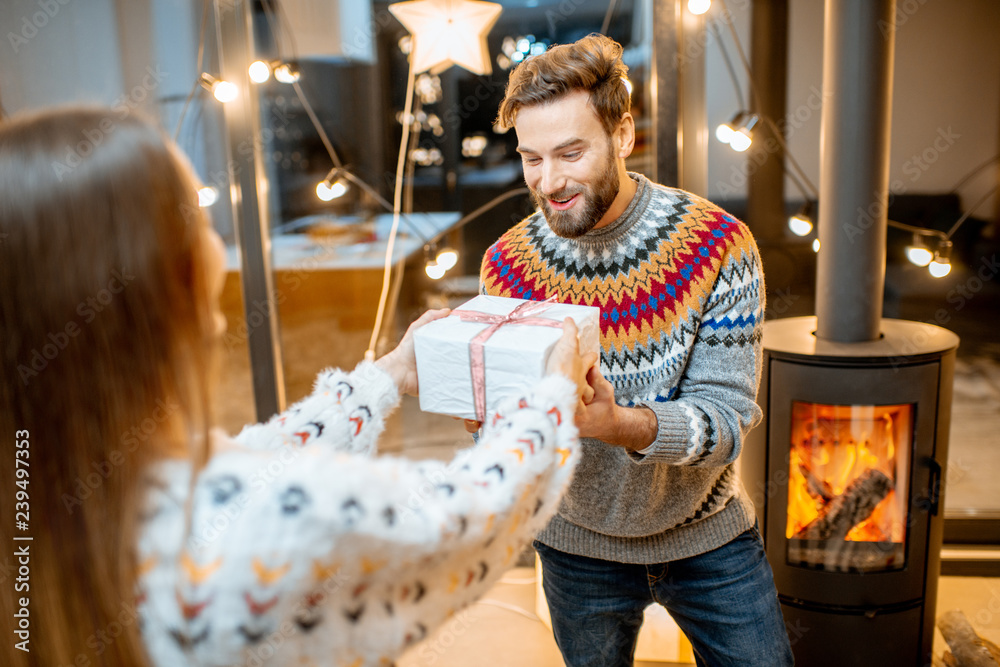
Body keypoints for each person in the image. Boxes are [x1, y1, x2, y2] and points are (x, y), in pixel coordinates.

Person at [0, 107, 596, 667]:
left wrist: (386, 376)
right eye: (197, 218)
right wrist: (548, 395)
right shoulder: (263, 538)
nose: (213, 239)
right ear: (157, 281)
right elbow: (471, 519)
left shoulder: (48, 506)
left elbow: (254, 461)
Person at [478, 34, 794, 666]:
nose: (550, 181)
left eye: (571, 152)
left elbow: (729, 422)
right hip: (573, 545)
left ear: (623, 135)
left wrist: (620, 425)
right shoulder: (505, 264)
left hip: (708, 538)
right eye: (531, 158)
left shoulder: (718, 245)